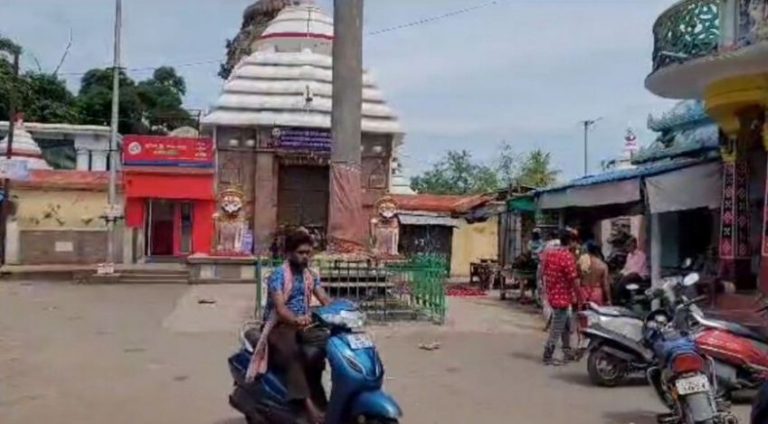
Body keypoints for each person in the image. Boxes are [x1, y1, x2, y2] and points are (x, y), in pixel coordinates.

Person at [247, 230, 332, 424]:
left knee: (321, 352)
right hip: (279, 327)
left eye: (308, 253)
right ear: (289, 254)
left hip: (304, 325)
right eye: (301, 253)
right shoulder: (278, 276)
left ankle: (323, 400)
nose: (305, 257)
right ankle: (309, 408)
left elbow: (324, 298)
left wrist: (341, 310)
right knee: (293, 355)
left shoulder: (310, 275)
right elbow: (280, 308)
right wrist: (296, 320)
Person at [541, 229, 580, 365]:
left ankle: (567, 351)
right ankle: (548, 354)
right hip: (562, 297)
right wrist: (580, 297)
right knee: (557, 326)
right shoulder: (567, 257)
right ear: (570, 242)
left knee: (566, 324)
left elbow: (543, 272)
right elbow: (574, 280)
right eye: (575, 242)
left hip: (553, 294)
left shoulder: (551, 254)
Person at [614, 237, 649, 304]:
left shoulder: (641, 255)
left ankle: (619, 298)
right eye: (627, 246)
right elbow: (626, 267)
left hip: (640, 275)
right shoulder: (629, 255)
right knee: (617, 277)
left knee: (628, 276)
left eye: (629, 245)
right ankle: (617, 297)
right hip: (630, 274)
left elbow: (637, 269)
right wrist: (621, 273)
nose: (627, 248)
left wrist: (625, 274)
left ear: (634, 245)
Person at [579, 241, 611, 306]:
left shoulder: (582, 263)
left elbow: (577, 279)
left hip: (583, 292)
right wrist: (609, 299)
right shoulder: (602, 265)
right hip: (597, 292)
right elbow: (605, 284)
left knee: (583, 314)